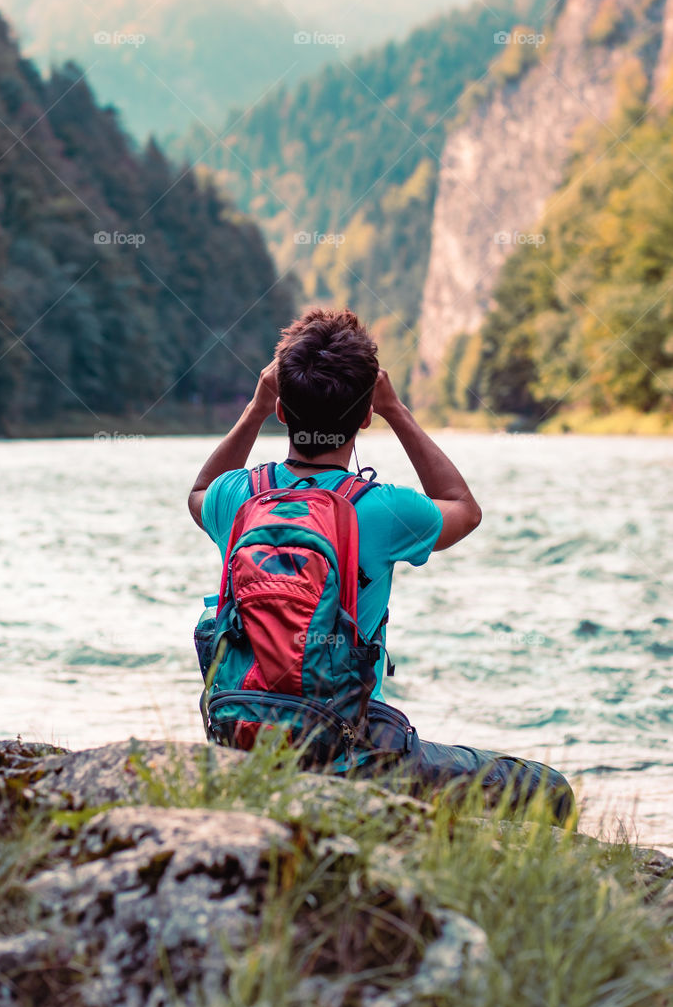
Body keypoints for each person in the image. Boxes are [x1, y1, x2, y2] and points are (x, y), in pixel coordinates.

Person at [188, 307, 575, 821]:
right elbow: (465, 508)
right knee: (548, 788)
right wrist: (398, 410)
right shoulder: (382, 508)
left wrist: (256, 407)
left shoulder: (236, 496)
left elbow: (197, 491)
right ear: (366, 414)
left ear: (282, 410)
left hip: (240, 735)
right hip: (348, 751)